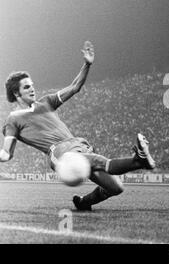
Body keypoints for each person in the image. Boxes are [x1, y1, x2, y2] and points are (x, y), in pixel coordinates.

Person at [0, 41, 156, 211]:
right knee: (101, 161)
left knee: (116, 187)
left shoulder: (46, 102)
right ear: (16, 93)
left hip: (77, 145)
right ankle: (138, 161)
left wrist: (87, 64)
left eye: (33, 86)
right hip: (59, 152)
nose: (32, 89)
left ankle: (83, 202)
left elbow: (75, 87)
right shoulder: (13, 119)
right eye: (27, 87)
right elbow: (6, 153)